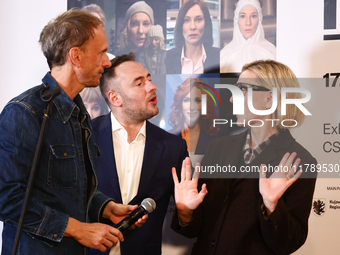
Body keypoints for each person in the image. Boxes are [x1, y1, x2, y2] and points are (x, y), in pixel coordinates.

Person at [0, 9, 146, 255]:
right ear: (76, 56)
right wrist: (79, 229)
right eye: (101, 53)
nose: (107, 62)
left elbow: (66, 191)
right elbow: (6, 198)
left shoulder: (79, 114)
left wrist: (106, 207)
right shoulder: (24, 112)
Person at [171, 60, 317, 254]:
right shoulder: (219, 147)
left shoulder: (300, 161)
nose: (232, 99)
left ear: (269, 98)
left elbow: (288, 244)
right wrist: (185, 212)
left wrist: (272, 206)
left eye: (242, 90)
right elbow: (196, 229)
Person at [90, 53, 188, 255]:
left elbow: (190, 223)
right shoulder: (84, 138)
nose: (152, 87)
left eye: (150, 79)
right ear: (115, 98)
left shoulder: (173, 147)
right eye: (139, 83)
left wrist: (187, 212)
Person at [220, 0, 276, 73]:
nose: (248, 22)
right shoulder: (224, 55)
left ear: (259, 19)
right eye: (243, 16)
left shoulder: (272, 53)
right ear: (237, 20)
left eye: (253, 16)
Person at [165, 0, 220, 74]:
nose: (193, 27)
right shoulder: (166, 59)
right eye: (187, 20)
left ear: (206, 23)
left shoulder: (220, 57)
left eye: (198, 19)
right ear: (180, 25)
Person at [168, 76, 218, 155]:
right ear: (180, 103)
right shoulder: (167, 138)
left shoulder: (215, 140)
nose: (191, 107)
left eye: (197, 100)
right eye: (187, 100)